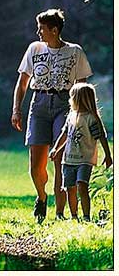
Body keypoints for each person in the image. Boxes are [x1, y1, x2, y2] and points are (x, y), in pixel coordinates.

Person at [12, 9, 92, 223]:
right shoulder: (34, 49)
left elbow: (82, 86)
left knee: (59, 159)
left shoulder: (75, 52)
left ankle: (59, 213)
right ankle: (41, 196)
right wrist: (16, 109)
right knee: (36, 164)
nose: (38, 32)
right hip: (38, 103)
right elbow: (22, 83)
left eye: (42, 29)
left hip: (65, 104)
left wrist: (80, 115)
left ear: (54, 30)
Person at [49, 83, 112, 222]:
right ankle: (74, 216)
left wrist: (108, 155)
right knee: (69, 188)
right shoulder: (71, 116)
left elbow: (101, 136)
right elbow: (64, 134)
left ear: (80, 99)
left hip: (85, 160)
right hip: (68, 160)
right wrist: (55, 149)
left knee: (82, 186)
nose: (70, 100)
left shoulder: (91, 118)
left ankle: (86, 217)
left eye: (72, 97)